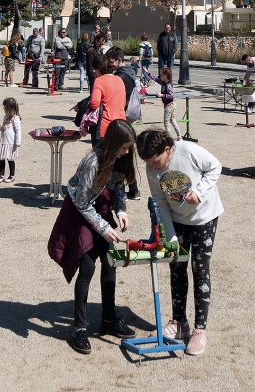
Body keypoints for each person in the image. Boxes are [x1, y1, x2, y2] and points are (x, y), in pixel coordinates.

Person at [47, 119, 137, 355]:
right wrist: (102, 228)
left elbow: (118, 190)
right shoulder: (92, 161)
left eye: (129, 148)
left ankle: (108, 317)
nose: (127, 152)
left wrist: (121, 211)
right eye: (125, 148)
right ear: (114, 143)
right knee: (87, 268)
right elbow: (82, 202)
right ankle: (79, 327)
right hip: (82, 214)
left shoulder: (120, 159)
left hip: (102, 211)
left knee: (111, 264)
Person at [136, 128, 223, 356]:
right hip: (178, 221)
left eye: (156, 161)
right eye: (148, 162)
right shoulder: (151, 169)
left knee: (200, 268)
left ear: (167, 150)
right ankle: (179, 322)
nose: (153, 166)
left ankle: (200, 329)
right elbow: (161, 203)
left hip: (205, 218)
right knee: (176, 268)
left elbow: (215, 166)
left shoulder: (187, 150)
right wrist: (171, 236)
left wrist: (200, 192)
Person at [106, 46, 141, 201]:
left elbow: (115, 98)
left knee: (119, 156)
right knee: (125, 157)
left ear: (119, 60)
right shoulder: (127, 74)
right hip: (125, 118)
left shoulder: (122, 78)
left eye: (112, 61)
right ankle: (133, 190)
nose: (110, 64)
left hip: (121, 117)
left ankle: (122, 191)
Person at [88, 54, 126, 147]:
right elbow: (124, 102)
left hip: (105, 126)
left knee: (102, 158)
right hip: (121, 123)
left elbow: (94, 104)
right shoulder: (119, 79)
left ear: (98, 69)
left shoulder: (99, 81)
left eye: (94, 70)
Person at [144, 66, 182, 141]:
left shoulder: (168, 85)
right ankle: (179, 136)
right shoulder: (163, 82)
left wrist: (162, 95)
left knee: (166, 122)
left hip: (169, 105)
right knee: (173, 120)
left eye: (161, 75)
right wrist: (147, 71)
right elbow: (154, 78)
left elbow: (171, 95)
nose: (159, 76)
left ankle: (169, 138)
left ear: (165, 76)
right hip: (171, 105)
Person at [0, 97, 21, 184]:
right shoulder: (5, 117)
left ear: (9, 108)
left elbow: (18, 130)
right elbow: (5, 128)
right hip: (3, 141)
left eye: (5, 107)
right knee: (1, 158)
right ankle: (2, 175)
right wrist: (1, 128)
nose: (3, 108)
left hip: (10, 142)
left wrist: (18, 142)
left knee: (10, 159)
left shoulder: (15, 118)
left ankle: (12, 175)